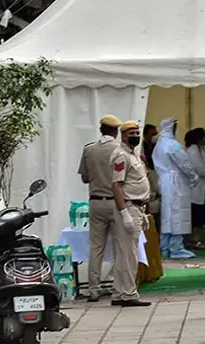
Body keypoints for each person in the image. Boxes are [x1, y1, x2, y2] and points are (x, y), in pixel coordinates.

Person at [77, 114, 122, 303]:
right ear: (116, 131)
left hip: (95, 201)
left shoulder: (89, 150)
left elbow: (84, 177)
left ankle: (93, 289)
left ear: (101, 129)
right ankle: (118, 286)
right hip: (116, 202)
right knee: (120, 247)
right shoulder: (120, 150)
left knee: (96, 247)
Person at [110, 120, 152, 307]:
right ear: (123, 135)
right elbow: (116, 185)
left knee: (124, 252)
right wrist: (124, 212)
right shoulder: (121, 155)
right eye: (131, 133)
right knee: (129, 254)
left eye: (137, 132)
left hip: (137, 206)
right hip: (128, 205)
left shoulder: (133, 155)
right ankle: (129, 293)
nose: (135, 135)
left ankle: (119, 292)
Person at [152, 117, 199, 259]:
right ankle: (176, 247)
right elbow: (184, 163)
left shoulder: (159, 144)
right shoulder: (172, 145)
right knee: (178, 214)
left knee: (168, 215)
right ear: (172, 127)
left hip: (165, 182)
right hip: (176, 182)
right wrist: (193, 177)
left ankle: (165, 246)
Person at [185, 127, 205, 245]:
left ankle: (197, 240)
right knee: (194, 217)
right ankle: (192, 240)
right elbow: (201, 169)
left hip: (201, 187)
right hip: (195, 187)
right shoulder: (192, 150)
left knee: (199, 216)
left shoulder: (200, 149)